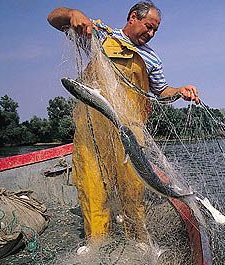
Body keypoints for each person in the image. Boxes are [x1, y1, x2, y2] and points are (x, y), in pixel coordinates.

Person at [47, 1, 199, 242]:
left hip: (130, 128)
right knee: (91, 182)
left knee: (133, 186)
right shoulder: (100, 36)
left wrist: (180, 90)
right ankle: (96, 239)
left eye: (155, 31)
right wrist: (71, 13)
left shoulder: (152, 58)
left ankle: (137, 238)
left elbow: (161, 91)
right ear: (132, 18)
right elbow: (54, 18)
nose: (150, 34)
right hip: (93, 129)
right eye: (148, 27)